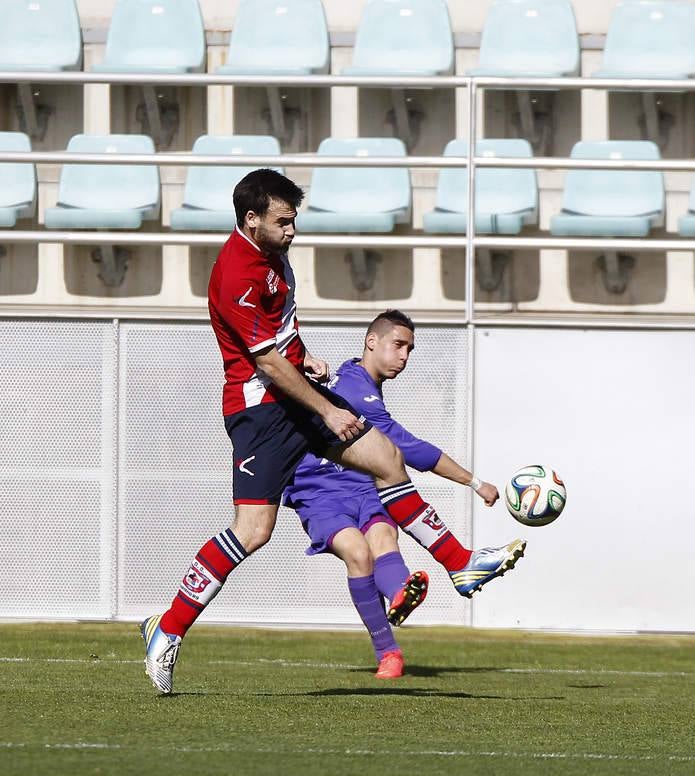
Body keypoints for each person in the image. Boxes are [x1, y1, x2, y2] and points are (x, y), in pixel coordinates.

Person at [140, 169, 525, 694]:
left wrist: (307, 360)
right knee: (253, 532)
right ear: (251, 220)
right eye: (283, 221)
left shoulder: (273, 255)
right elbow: (267, 365)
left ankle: (460, 564)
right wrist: (325, 408)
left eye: (294, 219)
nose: (292, 229)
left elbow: (283, 344)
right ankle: (168, 627)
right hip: (262, 415)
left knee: (387, 458)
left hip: (294, 393)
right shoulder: (236, 273)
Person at [283, 310, 525, 678]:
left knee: (384, 537)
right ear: (372, 342)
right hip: (320, 491)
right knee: (357, 552)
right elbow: (414, 450)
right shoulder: (356, 391)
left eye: (410, 349)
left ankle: (399, 600)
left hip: (364, 488)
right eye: (398, 345)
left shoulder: (354, 380)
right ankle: (390, 644)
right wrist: (475, 482)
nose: (404, 357)